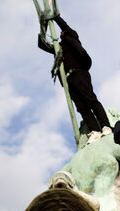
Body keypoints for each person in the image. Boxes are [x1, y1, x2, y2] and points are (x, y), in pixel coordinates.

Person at [38, 14, 111, 144]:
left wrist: (56, 18)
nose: (61, 31)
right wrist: (43, 27)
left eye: (62, 31)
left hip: (79, 73)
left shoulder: (71, 38)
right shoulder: (57, 48)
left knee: (91, 100)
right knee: (82, 108)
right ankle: (95, 131)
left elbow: (65, 27)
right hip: (68, 80)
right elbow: (42, 45)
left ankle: (106, 126)